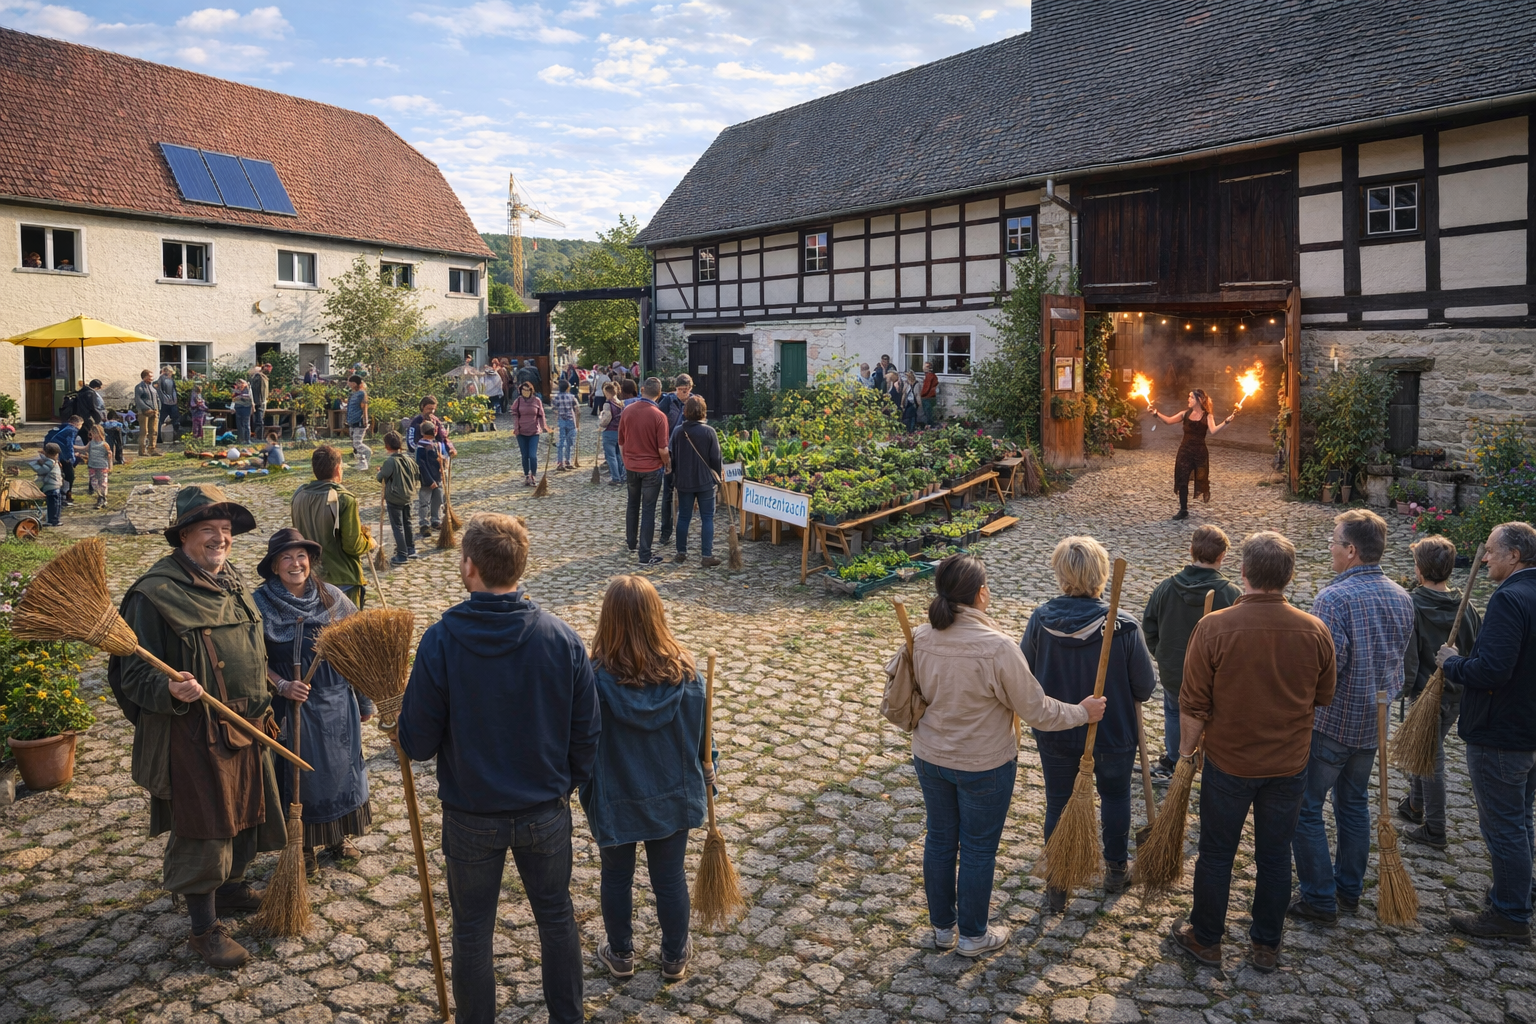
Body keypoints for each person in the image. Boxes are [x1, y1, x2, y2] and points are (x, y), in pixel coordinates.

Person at [397, 513, 599, 1024]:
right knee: (556, 920)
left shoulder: (440, 641)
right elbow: (587, 734)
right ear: (522, 565)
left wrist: (399, 724)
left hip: (471, 815)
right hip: (543, 811)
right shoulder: (563, 639)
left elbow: (417, 743)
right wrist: (560, 785)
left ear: (468, 567)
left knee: (472, 932)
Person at [895, 554, 1103, 957]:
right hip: (983, 765)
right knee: (976, 848)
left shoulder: (918, 636)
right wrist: (1082, 712)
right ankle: (973, 936)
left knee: (939, 839)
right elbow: (1038, 711)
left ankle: (942, 929)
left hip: (930, 757)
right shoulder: (997, 647)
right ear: (981, 594)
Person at [108, 484, 279, 968]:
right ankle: (204, 930)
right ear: (184, 535)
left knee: (249, 812)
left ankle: (231, 888)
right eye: (209, 530)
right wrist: (169, 691)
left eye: (226, 530)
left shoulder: (233, 580)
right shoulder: (153, 593)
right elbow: (132, 671)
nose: (220, 539)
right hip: (194, 735)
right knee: (205, 828)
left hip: (249, 725)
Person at [1172, 531, 1337, 972]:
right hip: (1288, 764)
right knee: (1275, 854)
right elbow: (1323, 696)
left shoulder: (1213, 628)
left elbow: (1193, 705)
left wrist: (1186, 758)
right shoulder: (1315, 630)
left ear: (1242, 573)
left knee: (1217, 852)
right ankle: (1266, 944)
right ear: (1288, 576)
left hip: (1229, 762)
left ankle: (1206, 938)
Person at [583, 575, 710, 981]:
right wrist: (711, 771)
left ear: (609, 620)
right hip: (672, 796)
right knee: (669, 877)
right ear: (658, 617)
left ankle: (620, 953)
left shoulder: (591, 681)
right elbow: (704, 743)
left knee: (616, 875)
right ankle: (674, 955)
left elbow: (581, 742)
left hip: (614, 797)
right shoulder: (689, 676)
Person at [1290, 509, 1413, 924]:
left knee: (1305, 808)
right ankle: (1348, 889)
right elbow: (1400, 660)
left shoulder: (1333, 598)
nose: (1330, 547)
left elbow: (1327, 667)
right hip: (1373, 723)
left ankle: (1320, 897)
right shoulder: (1402, 595)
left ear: (1352, 550)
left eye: (1334, 540)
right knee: (1354, 806)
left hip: (1332, 723)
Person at [1022, 535, 1156, 908]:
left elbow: (1024, 674)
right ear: (1100, 574)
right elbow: (1144, 686)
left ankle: (1058, 884)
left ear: (1061, 574)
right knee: (1115, 796)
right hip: (1114, 735)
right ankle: (1115, 869)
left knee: (1058, 803)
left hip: (1057, 734)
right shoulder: (1124, 627)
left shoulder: (1040, 621)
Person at [253, 528, 375, 876]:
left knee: (340, 771)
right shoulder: (259, 604)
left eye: (301, 557)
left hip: (337, 702)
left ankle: (337, 836)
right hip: (292, 708)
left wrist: (364, 701)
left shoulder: (333, 598)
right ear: (274, 566)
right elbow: (250, 659)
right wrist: (280, 685)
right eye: (287, 558)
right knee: (298, 778)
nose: (296, 564)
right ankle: (302, 846)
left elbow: (358, 651)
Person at [1439, 521, 1536, 940]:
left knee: (1504, 826)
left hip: (1502, 731)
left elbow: (1493, 669)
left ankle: (1510, 915)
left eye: (1492, 551)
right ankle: (1516, 892)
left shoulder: (1510, 599)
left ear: (1515, 556)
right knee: (1521, 819)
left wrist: (1451, 663)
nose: (1484, 557)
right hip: (1529, 728)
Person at [1398, 535, 1481, 850]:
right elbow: (1477, 648)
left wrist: (1403, 691)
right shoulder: (1466, 605)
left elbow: (1408, 657)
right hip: (1456, 695)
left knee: (1431, 759)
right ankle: (1414, 804)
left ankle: (1435, 829)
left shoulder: (1413, 605)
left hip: (1426, 695)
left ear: (1419, 569)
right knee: (1424, 748)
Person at [1141, 525, 1243, 781]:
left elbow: (1149, 628)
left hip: (1176, 672)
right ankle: (1207, 763)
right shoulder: (1232, 595)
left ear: (1191, 551)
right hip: (1214, 677)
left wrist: (1163, 656)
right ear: (1222, 557)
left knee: (1175, 713)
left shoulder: (1165, 588)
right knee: (1213, 718)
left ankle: (1176, 758)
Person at [291, 445, 374, 609]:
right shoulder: (344, 499)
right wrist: (370, 542)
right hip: (342, 580)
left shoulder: (298, 495)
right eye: (341, 466)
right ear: (337, 469)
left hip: (310, 578)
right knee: (346, 633)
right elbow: (352, 545)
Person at [1150, 389, 1235, 520]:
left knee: (1201, 478)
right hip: (1185, 451)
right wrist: (1156, 414)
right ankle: (1183, 509)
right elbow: (1168, 421)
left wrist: (1226, 422)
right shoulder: (1185, 414)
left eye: (1191, 397)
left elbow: (1213, 431)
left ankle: (1195, 497)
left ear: (1199, 400)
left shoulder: (1208, 416)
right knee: (1182, 478)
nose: (1188, 399)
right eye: (1188, 397)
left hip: (1199, 452)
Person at [619, 378, 672, 566]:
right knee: (648, 509)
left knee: (632, 503)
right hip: (651, 468)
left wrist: (626, 460)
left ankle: (631, 542)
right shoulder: (659, 416)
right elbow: (663, 449)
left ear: (642, 390)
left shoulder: (627, 411)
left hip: (632, 466)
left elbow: (622, 440)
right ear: (659, 393)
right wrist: (667, 464)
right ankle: (644, 553)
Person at [670, 395, 722, 566]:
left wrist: (675, 476)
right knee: (707, 517)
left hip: (684, 481)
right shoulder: (709, 432)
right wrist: (717, 476)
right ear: (704, 412)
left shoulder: (678, 431)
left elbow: (672, 458)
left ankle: (681, 551)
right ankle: (706, 555)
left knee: (684, 516)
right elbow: (715, 458)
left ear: (685, 411)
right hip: (705, 480)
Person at [656, 374, 694, 544]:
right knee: (668, 493)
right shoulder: (668, 402)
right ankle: (666, 531)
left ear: (690, 389)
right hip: (670, 452)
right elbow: (658, 423)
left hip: (687, 453)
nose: (682, 393)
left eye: (685, 390)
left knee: (686, 492)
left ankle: (683, 529)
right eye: (679, 390)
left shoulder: (695, 402)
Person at [376, 432, 420, 566]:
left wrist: (380, 471)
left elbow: (380, 478)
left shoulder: (390, 462)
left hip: (395, 497)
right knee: (407, 522)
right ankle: (410, 548)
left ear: (387, 446)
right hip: (409, 495)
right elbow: (417, 474)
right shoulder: (410, 459)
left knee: (397, 526)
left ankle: (402, 554)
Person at [511, 380, 549, 487]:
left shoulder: (537, 401)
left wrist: (544, 427)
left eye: (528, 390)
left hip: (534, 432)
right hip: (521, 432)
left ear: (531, 391)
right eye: (523, 390)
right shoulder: (518, 401)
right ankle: (526, 475)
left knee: (532, 456)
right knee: (525, 456)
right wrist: (516, 428)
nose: (525, 392)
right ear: (521, 391)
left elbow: (541, 415)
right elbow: (515, 415)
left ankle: (533, 475)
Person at [415, 421, 444, 536]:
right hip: (427, 479)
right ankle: (424, 523)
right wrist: (429, 480)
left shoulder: (436, 445)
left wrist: (443, 464)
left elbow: (438, 459)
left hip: (438, 477)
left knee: (438, 499)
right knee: (424, 502)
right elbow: (421, 464)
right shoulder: (421, 446)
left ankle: (435, 520)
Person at [24, 443, 63, 526]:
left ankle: (53, 520)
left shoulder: (50, 462)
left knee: (53, 505)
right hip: (55, 486)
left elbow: (42, 470)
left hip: (52, 486)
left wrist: (35, 464)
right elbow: (44, 461)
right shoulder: (52, 461)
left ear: (46, 453)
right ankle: (55, 520)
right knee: (56, 505)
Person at [45, 414, 81, 504]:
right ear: (76, 423)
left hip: (53, 452)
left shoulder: (64, 426)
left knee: (60, 474)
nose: (80, 427)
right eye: (81, 425)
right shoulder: (72, 429)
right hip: (63, 455)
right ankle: (65, 495)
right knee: (70, 476)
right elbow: (69, 445)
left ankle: (63, 494)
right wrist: (71, 458)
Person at [600, 382, 625, 486]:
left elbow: (607, 417)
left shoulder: (608, 404)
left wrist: (601, 423)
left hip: (609, 431)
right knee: (619, 455)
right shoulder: (621, 403)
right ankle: (621, 476)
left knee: (611, 456)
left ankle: (616, 478)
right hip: (619, 431)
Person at [345, 375, 370, 471]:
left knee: (357, 443)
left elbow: (364, 407)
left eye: (349, 381)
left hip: (359, 421)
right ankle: (361, 462)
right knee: (354, 445)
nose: (348, 383)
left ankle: (367, 454)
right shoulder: (352, 394)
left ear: (354, 383)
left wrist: (365, 419)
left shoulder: (361, 394)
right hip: (352, 421)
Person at [552, 378, 578, 471]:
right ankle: (568, 461)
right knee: (570, 442)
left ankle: (560, 462)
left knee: (561, 442)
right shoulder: (572, 397)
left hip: (561, 420)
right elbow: (577, 408)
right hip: (571, 421)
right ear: (568, 388)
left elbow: (554, 409)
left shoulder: (556, 397)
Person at [134, 369, 161, 456]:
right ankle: (142, 451)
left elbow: (157, 398)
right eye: (150, 377)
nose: (152, 378)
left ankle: (152, 449)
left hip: (154, 411)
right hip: (144, 412)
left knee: (153, 431)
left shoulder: (152, 388)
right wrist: (146, 408)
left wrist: (158, 408)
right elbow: (138, 400)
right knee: (144, 432)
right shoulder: (139, 387)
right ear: (144, 377)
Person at [85, 424, 111, 509]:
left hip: (102, 466)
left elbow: (109, 455)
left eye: (94, 433)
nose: (92, 434)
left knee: (102, 483)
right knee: (94, 483)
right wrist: (73, 447)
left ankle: (102, 498)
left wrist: (110, 466)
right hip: (92, 465)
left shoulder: (104, 444)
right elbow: (84, 448)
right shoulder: (91, 443)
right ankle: (101, 497)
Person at [157, 367, 181, 442]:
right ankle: (159, 438)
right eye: (170, 372)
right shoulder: (161, 380)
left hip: (171, 403)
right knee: (161, 420)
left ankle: (174, 437)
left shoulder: (170, 380)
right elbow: (159, 391)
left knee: (174, 420)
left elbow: (174, 391)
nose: (171, 374)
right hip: (165, 403)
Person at [230, 379, 253, 445]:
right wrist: (232, 407)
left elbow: (250, 398)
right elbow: (233, 399)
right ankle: (240, 439)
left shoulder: (248, 389)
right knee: (239, 424)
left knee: (246, 424)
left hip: (246, 407)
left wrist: (241, 396)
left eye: (240, 383)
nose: (239, 384)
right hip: (238, 407)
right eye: (238, 383)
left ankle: (247, 439)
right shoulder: (235, 390)